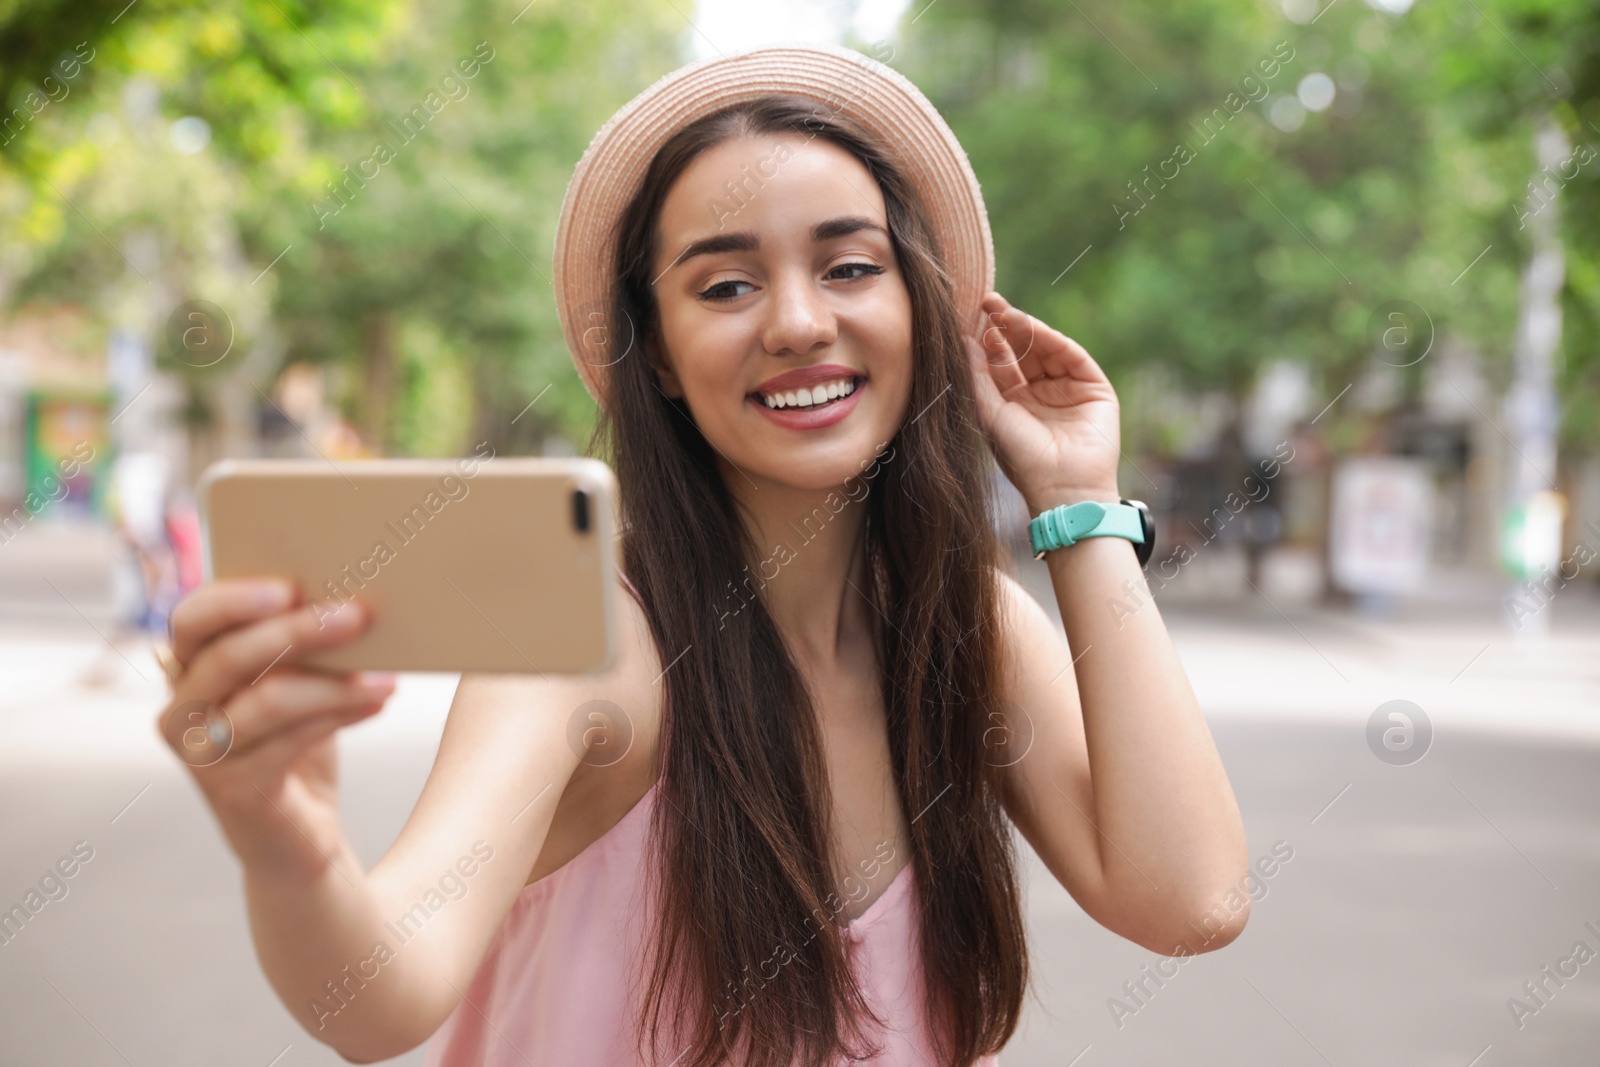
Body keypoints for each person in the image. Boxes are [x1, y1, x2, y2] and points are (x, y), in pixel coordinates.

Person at [154, 44, 1249, 1067]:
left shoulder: (966, 626)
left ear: (915, 307)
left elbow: (1190, 899)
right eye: (724, 285)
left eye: (851, 266)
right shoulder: (590, 646)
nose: (797, 321)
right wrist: (285, 843)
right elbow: (379, 996)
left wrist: (1076, 500)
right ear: (662, 356)